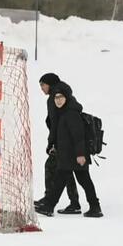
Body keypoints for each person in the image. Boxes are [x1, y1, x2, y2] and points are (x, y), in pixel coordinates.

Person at [35, 83, 103, 218]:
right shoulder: (63, 113)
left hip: (75, 156)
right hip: (68, 155)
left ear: (67, 98)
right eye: (55, 98)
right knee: (75, 181)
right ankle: (94, 207)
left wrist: (81, 154)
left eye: (60, 97)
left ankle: (49, 206)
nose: (58, 100)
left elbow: (78, 136)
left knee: (73, 181)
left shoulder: (71, 114)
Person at [36, 73, 81, 215]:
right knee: (64, 170)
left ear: (49, 84)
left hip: (63, 141)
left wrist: (52, 143)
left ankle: (58, 202)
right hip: (66, 141)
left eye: (42, 85)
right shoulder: (64, 94)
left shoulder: (55, 97)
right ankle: (68, 202)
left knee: (60, 169)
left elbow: (55, 123)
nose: (42, 88)